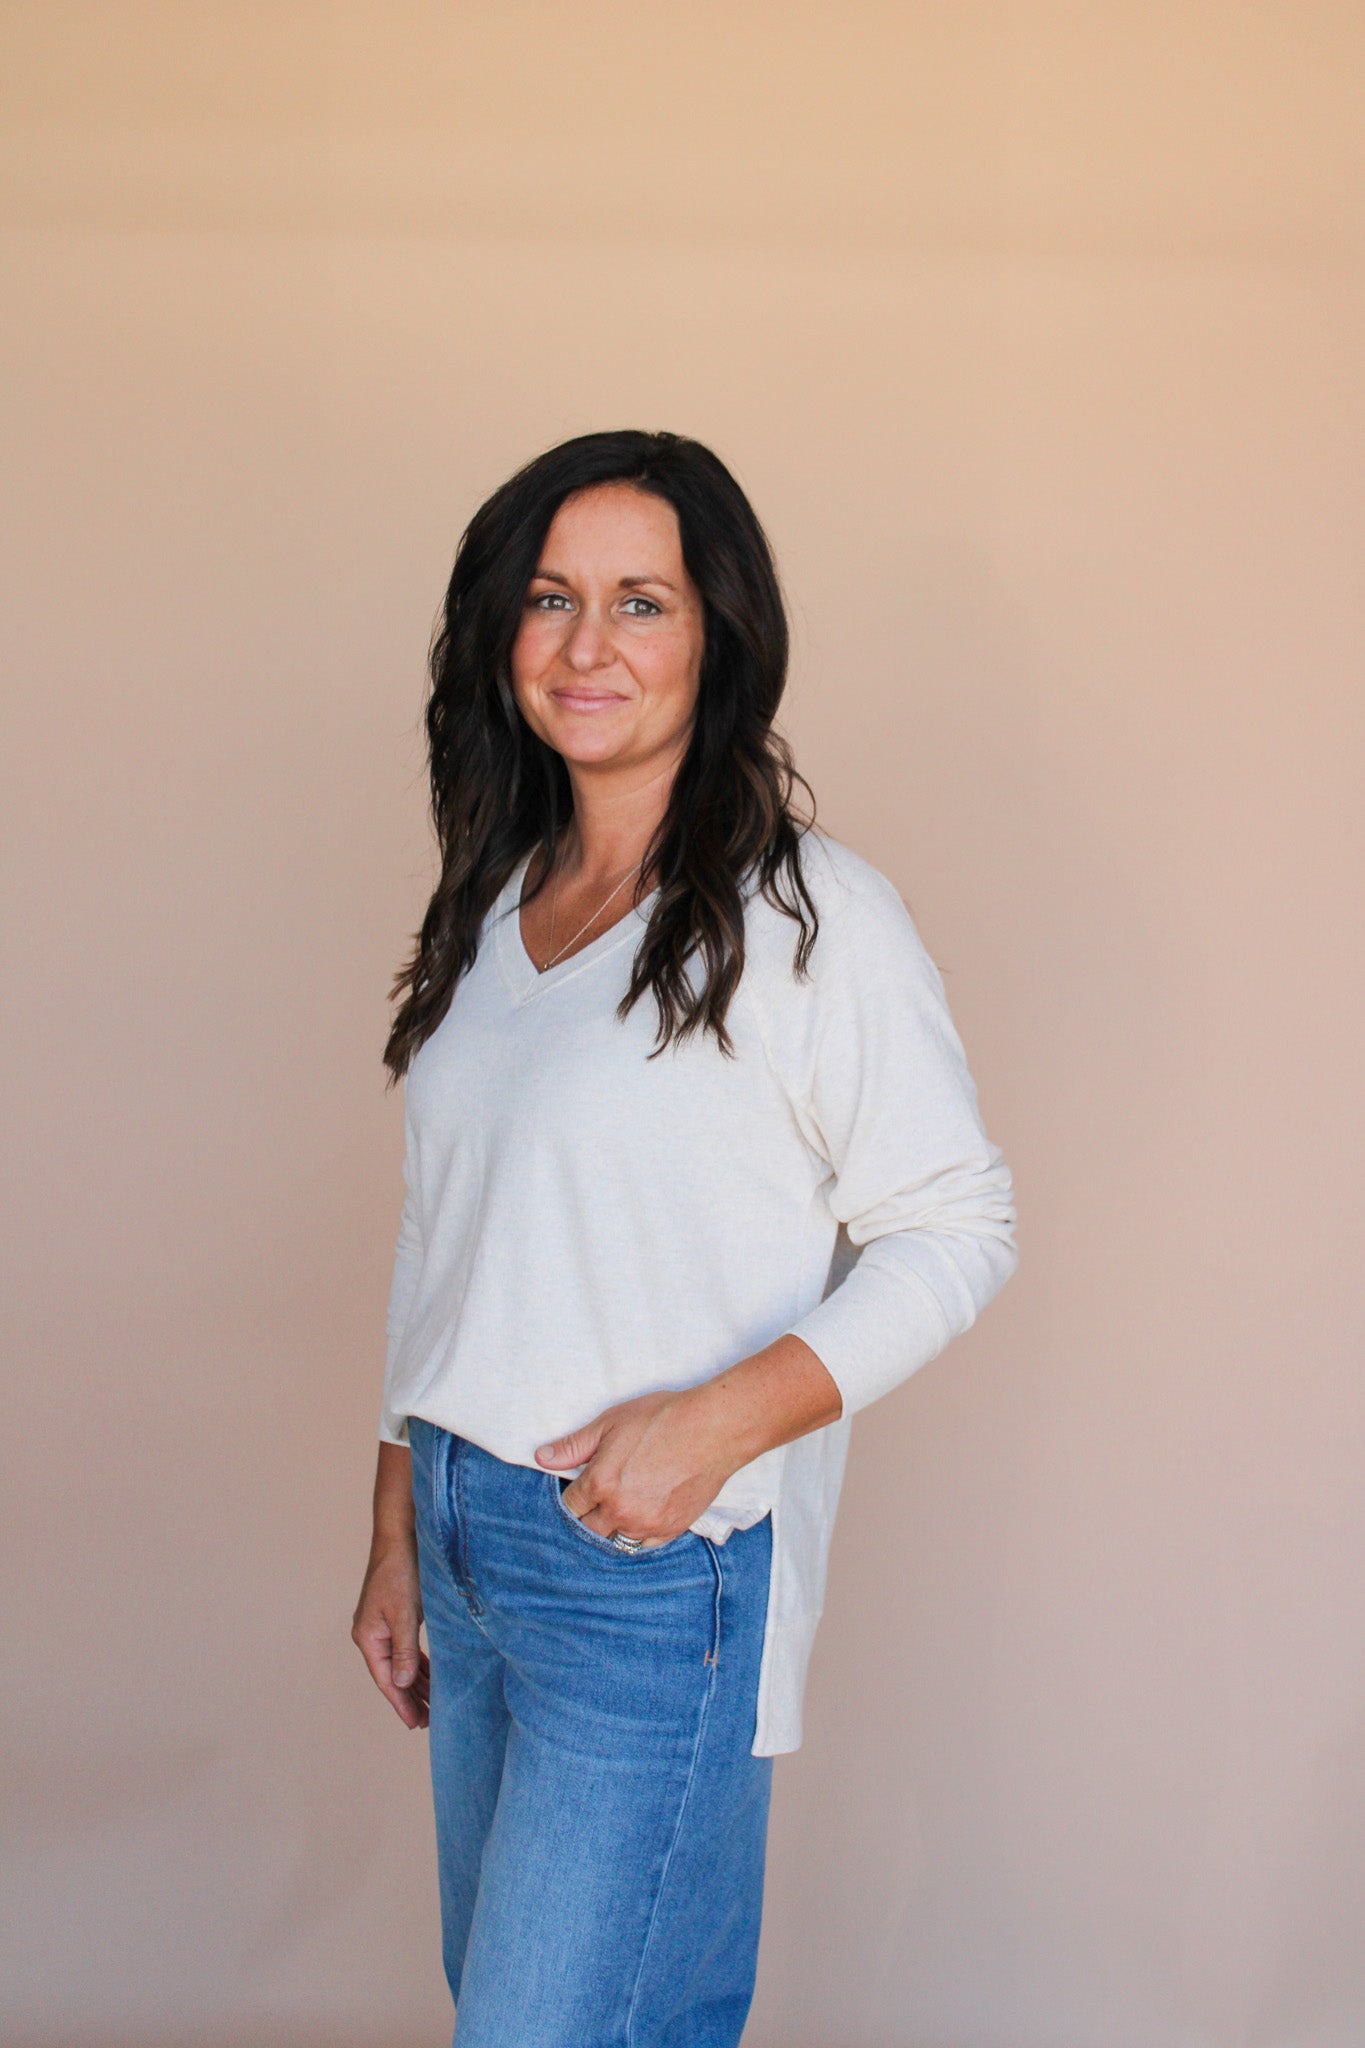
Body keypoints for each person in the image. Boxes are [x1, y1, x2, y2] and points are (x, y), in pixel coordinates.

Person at [351, 429, 1018, 2047]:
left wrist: (710, 1427)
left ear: (718, 635)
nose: (587, 646)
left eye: (639, 602)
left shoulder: (806, 915)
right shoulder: (495, 900)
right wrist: (393, 1520)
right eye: (549, 598)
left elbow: (956, 1226)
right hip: (462, 1531)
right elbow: (444, 1233)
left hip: (647, 1565)